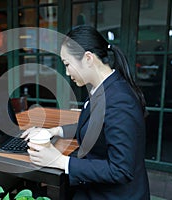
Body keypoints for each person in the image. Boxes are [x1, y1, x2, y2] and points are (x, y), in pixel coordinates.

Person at [21, 25, 150, 200]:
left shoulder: (120, 100)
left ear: (88, 58)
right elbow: (93, 126)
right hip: (96, 187)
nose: (66, 72)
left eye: (67, 64)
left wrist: (60, 161)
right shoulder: (103, 88)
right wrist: (53, 131)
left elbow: (121, 170)